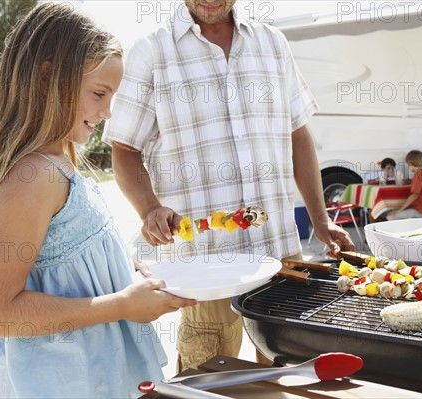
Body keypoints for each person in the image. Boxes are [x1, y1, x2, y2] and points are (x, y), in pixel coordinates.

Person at [103, 0, 355, 372]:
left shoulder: (272, 44)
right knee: (208, 382)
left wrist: (321, 221)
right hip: (205, 268)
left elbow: (298, 135)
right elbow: (125, 148)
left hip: (280, 254)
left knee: (286, 378)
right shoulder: (151, 51)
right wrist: (149, 208)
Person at [0, 4, 196, 398]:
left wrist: (130, 273)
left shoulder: (61, 161)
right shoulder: (34, 176)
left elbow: (72, 264)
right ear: (47, 76)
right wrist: (122, 306)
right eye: (98, 93)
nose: (107, 112)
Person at [386, 150, 422, 220]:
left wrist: (399, 210)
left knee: (390, 216)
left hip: (420, 211)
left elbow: (414, 195)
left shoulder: (418, 175)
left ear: (411, 163)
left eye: (408, 165)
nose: (408, 167)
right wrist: (409, 181)